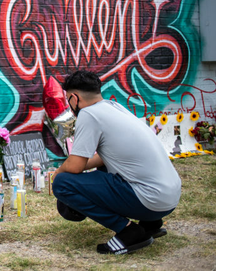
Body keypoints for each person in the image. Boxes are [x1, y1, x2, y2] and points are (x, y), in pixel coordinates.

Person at [52, 70, 181, 255]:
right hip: (168, 199)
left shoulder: (88, 114)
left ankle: (129, 231)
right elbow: (107, 157)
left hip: (149, 200)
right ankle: (150, 224)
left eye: (68, 100)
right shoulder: (114, 107)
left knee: (63, 184)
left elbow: (75, 166)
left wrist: (59, 172)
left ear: (74, 98)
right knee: (104, 167)